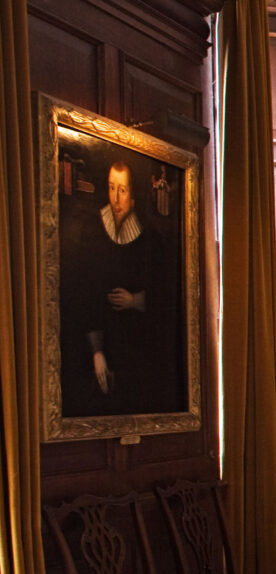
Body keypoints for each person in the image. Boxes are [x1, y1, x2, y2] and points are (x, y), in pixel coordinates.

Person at [61, 160, 179, 416]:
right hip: (99, 339)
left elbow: (169, 296)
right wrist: (97, 351)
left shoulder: (150, 240)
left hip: (136, 345)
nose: (116, 197)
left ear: (133, 196)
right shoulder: (92, 232)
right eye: (112, 188)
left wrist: (135, 301)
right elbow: (84, 294)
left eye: (123, 190)